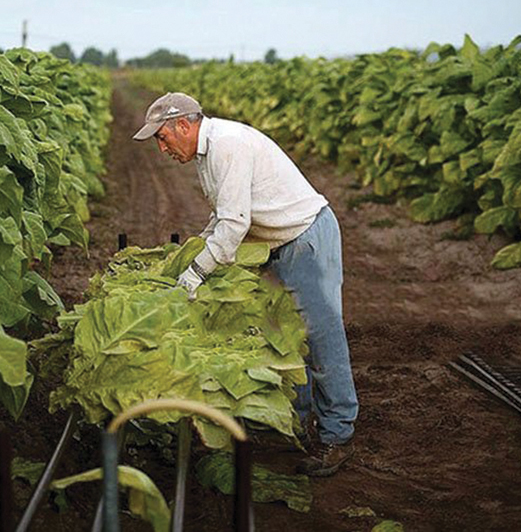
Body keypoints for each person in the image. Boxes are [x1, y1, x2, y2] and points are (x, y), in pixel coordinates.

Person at [133, 92, 359, 477]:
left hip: (304, 238)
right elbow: (221, 217)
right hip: (276, 244)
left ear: (183, 125)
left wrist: (197, 272)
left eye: (163, 137)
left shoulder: (227, 145)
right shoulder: (206, 154)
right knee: (285, 336)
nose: (162, 148)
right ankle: (296, 423)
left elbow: (235, 224)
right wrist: (191, 254)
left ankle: (337, 435)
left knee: (322, 337)